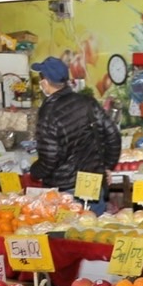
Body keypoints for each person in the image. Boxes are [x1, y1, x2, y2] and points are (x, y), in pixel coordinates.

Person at [28, 56, 120, 206]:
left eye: (41, 78)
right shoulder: (88, 102)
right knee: (93, 227)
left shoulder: (48, 112)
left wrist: (35, 172)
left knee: (68, 229)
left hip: (64, 190)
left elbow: (50, 157)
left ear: (45, 81)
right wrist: (107, 166)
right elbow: (113, 135)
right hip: (92, 184)